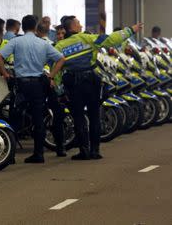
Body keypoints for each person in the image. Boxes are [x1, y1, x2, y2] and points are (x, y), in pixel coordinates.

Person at [55, 16, 143, 160]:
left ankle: (84, 151)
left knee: (78, 118)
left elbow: (56, 70)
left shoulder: (59, 46)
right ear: (72, 28)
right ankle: (95, 151)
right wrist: (130, 30)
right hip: (91, 82)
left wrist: (59, 91)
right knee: (94, 116)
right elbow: (111, 39)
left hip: (73, 84)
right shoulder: (88, 39)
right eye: (78, 23)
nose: (81, 25)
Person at [0, 15, 66, 163]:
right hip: (39, 85)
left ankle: (11, 156)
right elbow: (61, 59)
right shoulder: (43, 43)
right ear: (35, 27)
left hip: (21, 85)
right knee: (38, 119)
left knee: (15, 119)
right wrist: (51, 76)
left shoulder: (16, 41)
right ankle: (39, 154)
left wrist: (5, 74)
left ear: (22, 27)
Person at [36, 20, 67, 156]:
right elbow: (46, 65)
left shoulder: (68, 48)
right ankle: (59, 147)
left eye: (62, 33)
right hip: (54, 87)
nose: (60, 36)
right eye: (58, 34)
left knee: (60, 117)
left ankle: (61, 146)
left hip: (67, 86)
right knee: (55, 117)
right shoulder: (52, 47)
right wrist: (51, 78)